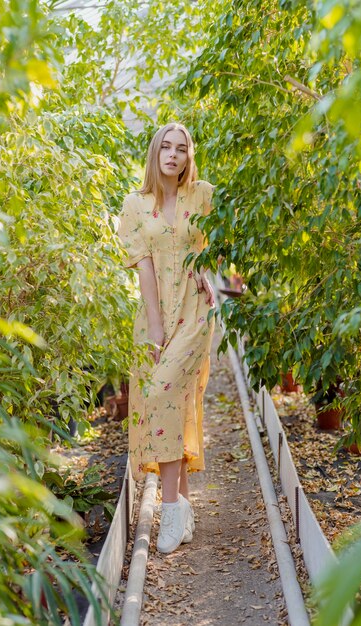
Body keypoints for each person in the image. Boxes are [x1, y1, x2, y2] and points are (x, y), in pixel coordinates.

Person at [117, 122, 216, 554]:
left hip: (195, 313)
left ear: (189, 157)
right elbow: (144, 271)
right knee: (173, 405)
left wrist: (217, 277)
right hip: (154, 319)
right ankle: (185, 508)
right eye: (166, 148)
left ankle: (170, 510)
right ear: (155, 154)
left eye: (181, 149)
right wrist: (156, 328)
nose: (173, 155)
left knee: (163, 395)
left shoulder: (204, 196)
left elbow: (226, 251)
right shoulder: (135, 205)